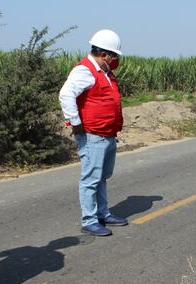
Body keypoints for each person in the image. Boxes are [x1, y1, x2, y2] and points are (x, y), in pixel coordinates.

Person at [59, 29, 128, 237]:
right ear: (104, 54)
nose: (115, 60)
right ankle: (89, 220)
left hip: (107, 134)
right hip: (92, 135)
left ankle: (102, 213)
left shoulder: (105, 72)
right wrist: (76, 123)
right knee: (90, 178)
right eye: (114, 55)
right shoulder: (85, 71)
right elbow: (66, 94)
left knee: (102, 177)